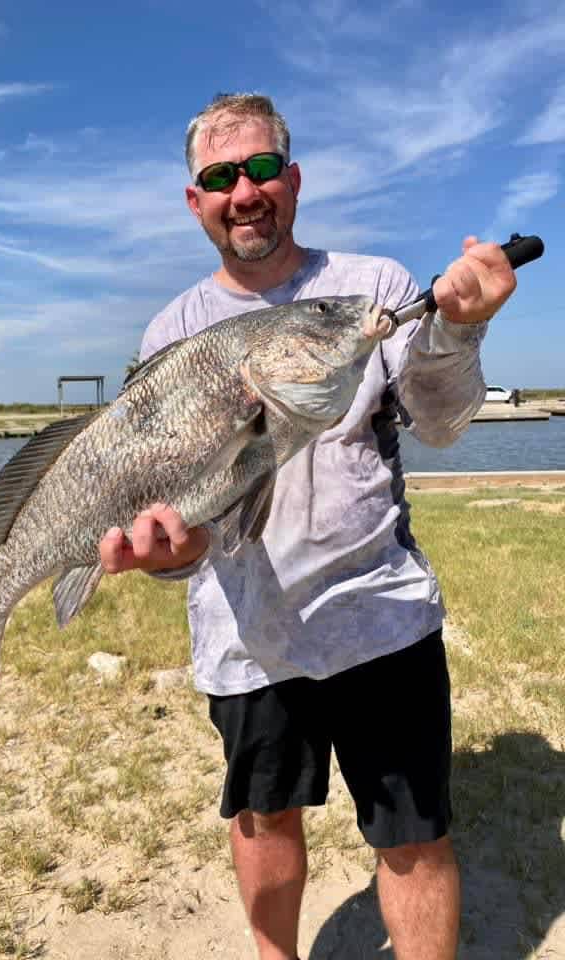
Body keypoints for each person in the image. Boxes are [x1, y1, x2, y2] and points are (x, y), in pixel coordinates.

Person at [99, 93, 517, 960]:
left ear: (291, 179)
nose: (243, 192)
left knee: (411, 835)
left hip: (381, 614)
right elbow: (169, 509)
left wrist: (459, 335)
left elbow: (438, 423)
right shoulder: (171, 330)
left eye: (259, 170)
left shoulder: (375, 288)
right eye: (219, 178)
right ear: (196, 200)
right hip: (246, 636)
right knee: (262, 819)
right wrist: (173, 561)